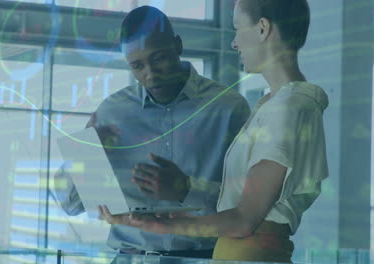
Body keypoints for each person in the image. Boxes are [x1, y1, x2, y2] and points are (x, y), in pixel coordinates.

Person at [99, 0, 329, 262]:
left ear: (263, 29)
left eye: (237, 28)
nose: (234, 43)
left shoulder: (290, 106)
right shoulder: (270, 105)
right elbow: (241, 206)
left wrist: (161, 225)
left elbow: (244, 218)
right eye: (137, 65)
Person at [53, 5, 250, 259]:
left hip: (202, 256)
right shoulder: (113, 111)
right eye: (137, 66)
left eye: (159, 59)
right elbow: (70, 205)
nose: (151, 74)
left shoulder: (229, 109)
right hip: (128, 256)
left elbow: (253, 204)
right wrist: (85, 152)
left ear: (177, 45)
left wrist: (187, 189)